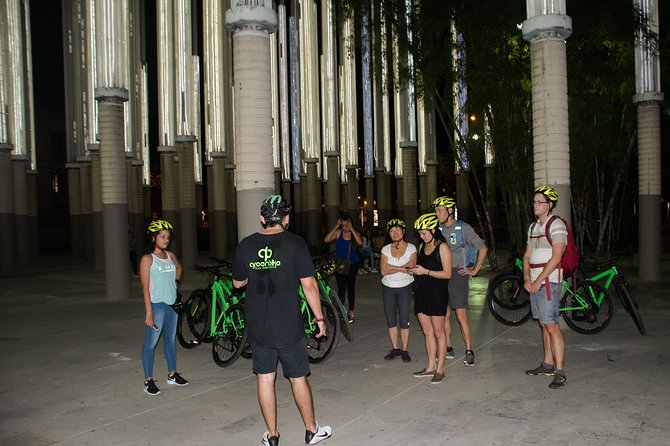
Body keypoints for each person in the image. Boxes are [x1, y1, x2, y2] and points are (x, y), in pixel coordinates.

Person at [232, 195, 332, 446]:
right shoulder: (295, 244)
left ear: (262, 218)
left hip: (258, 325)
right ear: (286, 218)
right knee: (298, 377)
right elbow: (309, 285)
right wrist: (319, 318)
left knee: (265, 378)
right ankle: (311, 431)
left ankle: (273, 436)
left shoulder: (245, 245)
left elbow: (237, 283)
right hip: (288, 324)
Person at [432, 196, 488, 366]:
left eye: (440, 210)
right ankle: (448, 347)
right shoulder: (437, 229)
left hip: (458, 274)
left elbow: (483, 248)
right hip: (442, 274)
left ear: (450, 210)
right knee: (444, 314)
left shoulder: (463, 228)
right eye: (435, 211)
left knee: (461, 315)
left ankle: (469, 350)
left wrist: (474, 270)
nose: (437, 214)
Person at [523, 185, 568, 389]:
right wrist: (526, 279)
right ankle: (547, 364)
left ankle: (560, 371)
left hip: (548, 281)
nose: (535, 205)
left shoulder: (556, 225)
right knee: (543, 324)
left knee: (551, 325)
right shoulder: (533, 228)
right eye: (534, 201)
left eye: (539, 202)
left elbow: (557, 257)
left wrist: (539, 279)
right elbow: (526, 255)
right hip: (534, 281)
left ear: (549, 205)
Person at [140, 220, 188, 396]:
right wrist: (149, 312)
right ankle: (148, 380)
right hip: (157, 305)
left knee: (170, 340)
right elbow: (145, 288)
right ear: (154, 238)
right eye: (162, 236)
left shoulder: (170, 255)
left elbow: (179, 268)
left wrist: (175, 282)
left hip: (172, 305)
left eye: (167, 237)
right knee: (150, 343)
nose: (166, 239)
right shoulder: (147, 259)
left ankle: (172, 374)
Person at [408, 213, 452, 384]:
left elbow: (447, 274)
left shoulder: (442, 247)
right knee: (427, 332)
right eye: (420, 233)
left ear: (434, 230)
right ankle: (430, 366)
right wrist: (414, 270)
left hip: (437, 294)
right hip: (422, 292)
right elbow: (421, 267)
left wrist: (425, 271)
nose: (422, 236)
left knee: (438, 332)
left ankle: (440, 369)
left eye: (424, 232)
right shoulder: (421, 247)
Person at [380, 218, 417, 363]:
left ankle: (405, 350)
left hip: (405, 288)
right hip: (388, 288)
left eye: (397, 229)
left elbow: (411, 268)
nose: (394, 233)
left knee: (404, 319)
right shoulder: (385, 249)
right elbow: (383, 271)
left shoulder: (411, 248)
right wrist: (403, 268)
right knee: (391, 320)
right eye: (391, 230)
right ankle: (395, 348)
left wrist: (392, 267)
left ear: (403, 231)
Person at [324, 213, 363, 323]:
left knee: (350, 288)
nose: (345, 228)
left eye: (347, 225)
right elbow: (326, 240)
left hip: (352, 264)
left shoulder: (354, 234)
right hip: (340, 264)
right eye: (343, 225)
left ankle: (351, 310)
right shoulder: (338, 233)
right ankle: (341, 311)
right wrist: (336, 227)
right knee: (341, 288)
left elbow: (360, 243)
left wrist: (352, 230)